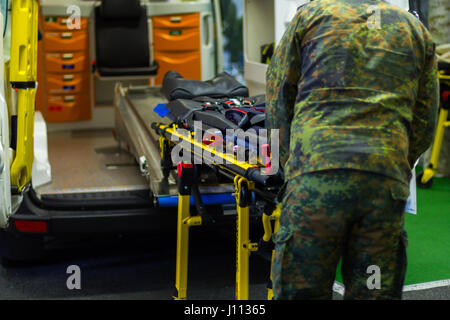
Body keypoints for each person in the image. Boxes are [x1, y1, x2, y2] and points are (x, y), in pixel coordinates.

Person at [265, 0, 439, 300]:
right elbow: (426, 115)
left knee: (303, 291)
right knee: (373, 291)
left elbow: (279, 96)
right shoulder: (412, 29)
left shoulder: (310, 16)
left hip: (315, 179)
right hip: (382, 184)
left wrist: (292, 163)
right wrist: (397, 162)